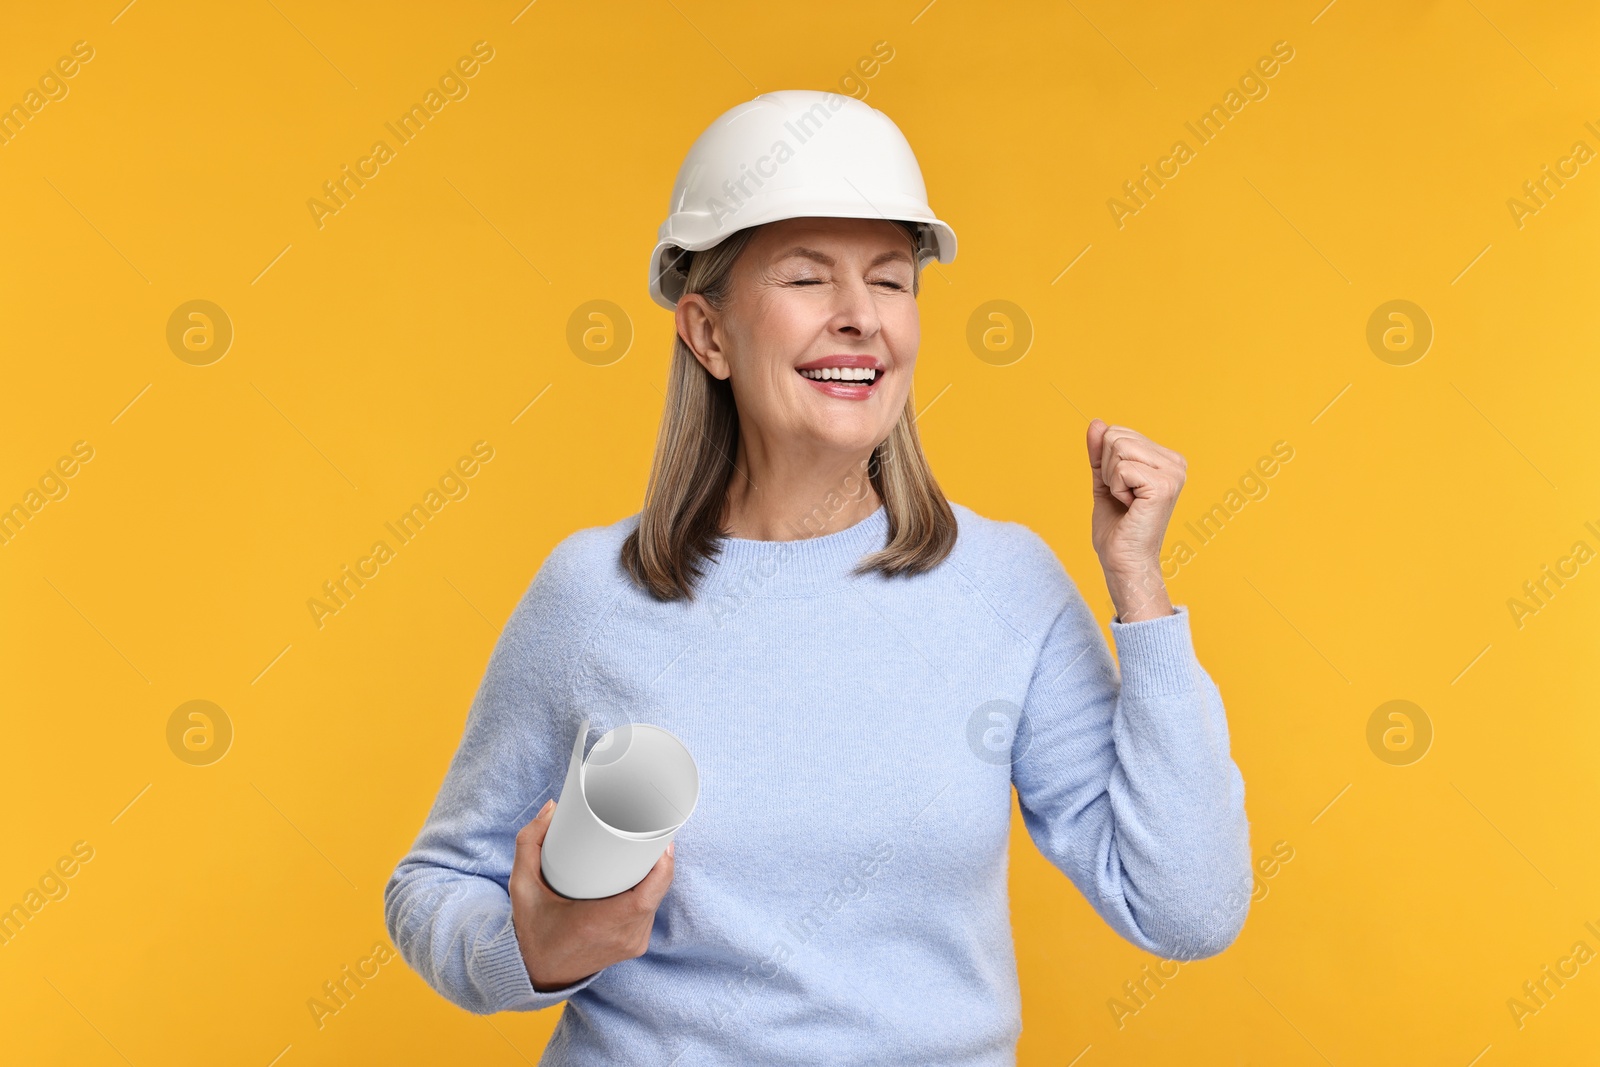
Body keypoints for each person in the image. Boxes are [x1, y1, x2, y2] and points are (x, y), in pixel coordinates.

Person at [384, 89, 1251, 1065]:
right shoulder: (594, 592)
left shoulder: (1004, 586)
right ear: (708, 334)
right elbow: (433, 882)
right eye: (807, 278)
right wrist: (529, 952)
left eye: (889, 282)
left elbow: (1186, 906)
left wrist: (1141, 590)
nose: (859, 319)